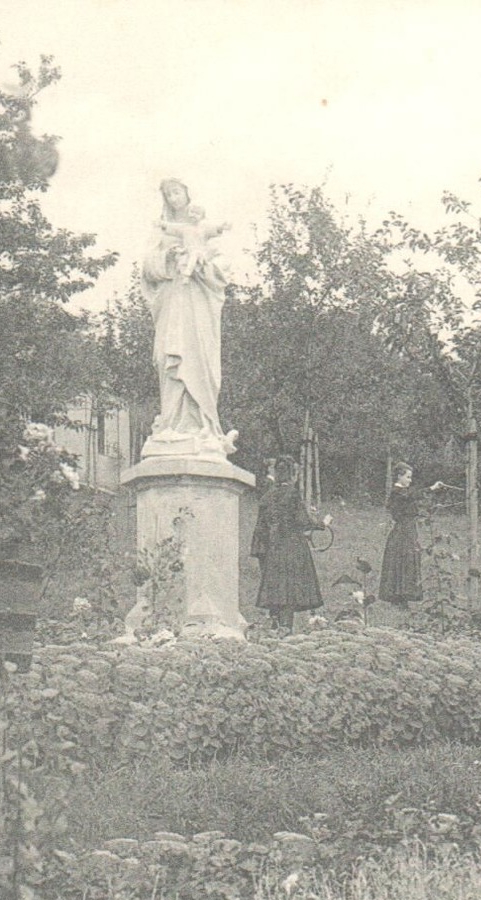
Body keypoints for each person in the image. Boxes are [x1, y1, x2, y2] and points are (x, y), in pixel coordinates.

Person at [140, 178, 237, 458]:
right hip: (172, 302)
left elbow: (222, 267)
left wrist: (203, 266)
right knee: (167, 358)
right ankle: (171, 424)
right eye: (168, 194)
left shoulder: (203, 229)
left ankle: (202, 425)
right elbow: (147, 267)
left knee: (198, 358)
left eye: (177, 191)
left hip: (198, 304)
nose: (173, 198)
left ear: (187, 193)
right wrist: (169, 257)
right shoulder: (163, 233)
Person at [250, 458, 323, 634]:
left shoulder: (267, 495)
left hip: (272, 547)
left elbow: (261, 528)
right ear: (292, 474)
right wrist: (322, 524)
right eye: (296, 473)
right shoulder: (292, 493)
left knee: (276, 589)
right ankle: (285, 630)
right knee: (289, 590)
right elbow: (302, 521)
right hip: (292, 547)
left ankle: (275, 626)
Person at [380, 462, 434, 607]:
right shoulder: (397, 492)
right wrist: (431, 488)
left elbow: (412, 498)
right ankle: (398, 598)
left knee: (408, 562)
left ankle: (403, 597)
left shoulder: (405, 493)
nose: (410, 480)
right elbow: (410, 497)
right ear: (399, 476)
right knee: (402, 561)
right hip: (402, 531)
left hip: (409, 530)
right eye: (408, 477)